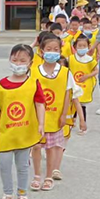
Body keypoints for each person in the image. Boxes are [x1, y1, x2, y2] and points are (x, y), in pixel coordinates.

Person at [0, 44, 45, 199]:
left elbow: (39, 104)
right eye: (15, 59)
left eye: (22, 60)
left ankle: (22, 194)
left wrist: (41, 124)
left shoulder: (33, 84)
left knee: (22, 166)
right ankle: (7, 193)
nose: (18, 63)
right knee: (4, 165)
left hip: (24, 132)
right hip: (6, 133)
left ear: (30, 63)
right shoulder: (0, 86)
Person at [29, 34, 74, 191]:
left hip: (55, 117)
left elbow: (68, 94)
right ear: (41, 51)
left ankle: (48, 176)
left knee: (51, 148)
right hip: (37, 117)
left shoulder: (65, 72)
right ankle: (36, 175)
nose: (52, 52)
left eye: (56, 49)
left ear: (60, 51)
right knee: (36, 147)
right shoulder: (33, 71)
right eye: (49, 49)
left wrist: (64, 115)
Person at [68, 32, 98, 134]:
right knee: (73, 103)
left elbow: (96, 70)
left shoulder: (90, 60)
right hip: (74, 85)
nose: (81, 48)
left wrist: (87, 76)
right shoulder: (71, 58)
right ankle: (72, 121)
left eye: (84, 46)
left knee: (81, 105)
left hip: (85, 85)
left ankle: (83, 124)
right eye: (79, 46)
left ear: (88, 46)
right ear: (75, 46)